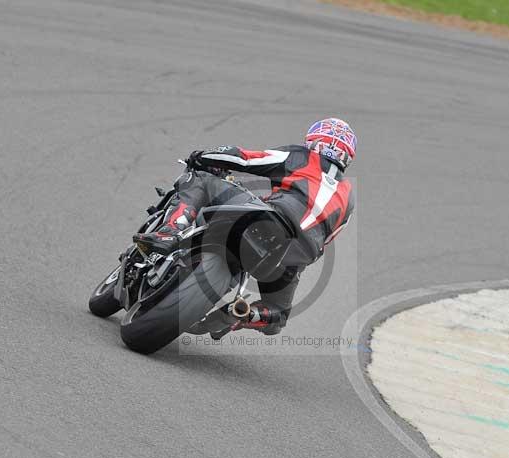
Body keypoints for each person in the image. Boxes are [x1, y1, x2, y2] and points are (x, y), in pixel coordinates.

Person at [134, 118, 356, 335]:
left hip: (269, 219)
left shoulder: (302, 157)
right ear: (347, 157)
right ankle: (244, 314)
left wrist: (203, 157)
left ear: (313, 142)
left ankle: (169, 231)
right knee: (277, 315)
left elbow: (246, 159)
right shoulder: (349, 198)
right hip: (298, 254)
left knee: (201, 178)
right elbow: (326, 241)